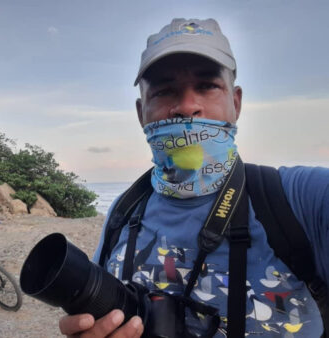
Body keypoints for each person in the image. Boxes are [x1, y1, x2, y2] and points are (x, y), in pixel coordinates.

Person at [58, 18, 329, 337]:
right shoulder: (124, 211)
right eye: (164, 90)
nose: (187, 106)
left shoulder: (301, 200)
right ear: (140, 112)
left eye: (207, 86)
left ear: (236, 103)